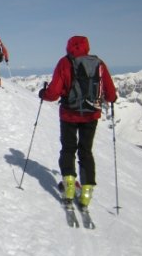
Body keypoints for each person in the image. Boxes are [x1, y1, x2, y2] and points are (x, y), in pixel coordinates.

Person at [38, 35, 117, 211]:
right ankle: (87, 193)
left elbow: (54, 92)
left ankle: (69, 186)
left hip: (69, 115)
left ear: (68, 47)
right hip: (91, 116)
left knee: (68, 149)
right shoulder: (98, 63)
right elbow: (110, 93)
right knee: (85, 151)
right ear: (87, 47)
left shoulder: (65, 62)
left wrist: (43, 94)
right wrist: (112, 98)